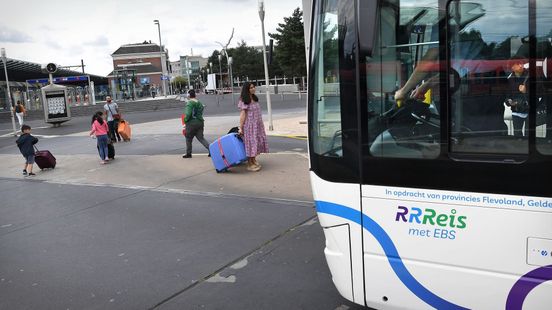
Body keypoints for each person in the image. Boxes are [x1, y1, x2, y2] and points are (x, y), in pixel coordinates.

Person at [238, 82, 269, 171]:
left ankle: (254, 159)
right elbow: (243, 114)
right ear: (246, 89)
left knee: (256, 142)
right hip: (249, 125)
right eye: (251, 88)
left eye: (253, 87)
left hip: (257, 125)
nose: (253, 89)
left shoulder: (254, 98)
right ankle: (249, 163)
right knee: (250, 144)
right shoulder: (244, 99)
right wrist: (240, 127)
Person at [182, 89, 210, 158]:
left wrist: (185, 120)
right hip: (200, 122)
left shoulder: (189, 103)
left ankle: (188, 153)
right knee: (201, 138)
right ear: (195, 95)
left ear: (189, 95)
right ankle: (211, 150)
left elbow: (188, 114)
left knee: (188, 138)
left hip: (191, 123)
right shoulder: (199, 103)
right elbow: (201, 111)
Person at [505, 57, 529, 137]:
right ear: (512, 67)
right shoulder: (510, 80)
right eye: (518, 64)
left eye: (521, 63)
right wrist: (509, 102)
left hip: (529, 110)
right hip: (516, 111)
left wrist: (526, 92)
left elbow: (541, 93)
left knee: (529, 136)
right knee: (517, 137)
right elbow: (507, 96)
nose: (521, 65)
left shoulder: (530, 77)